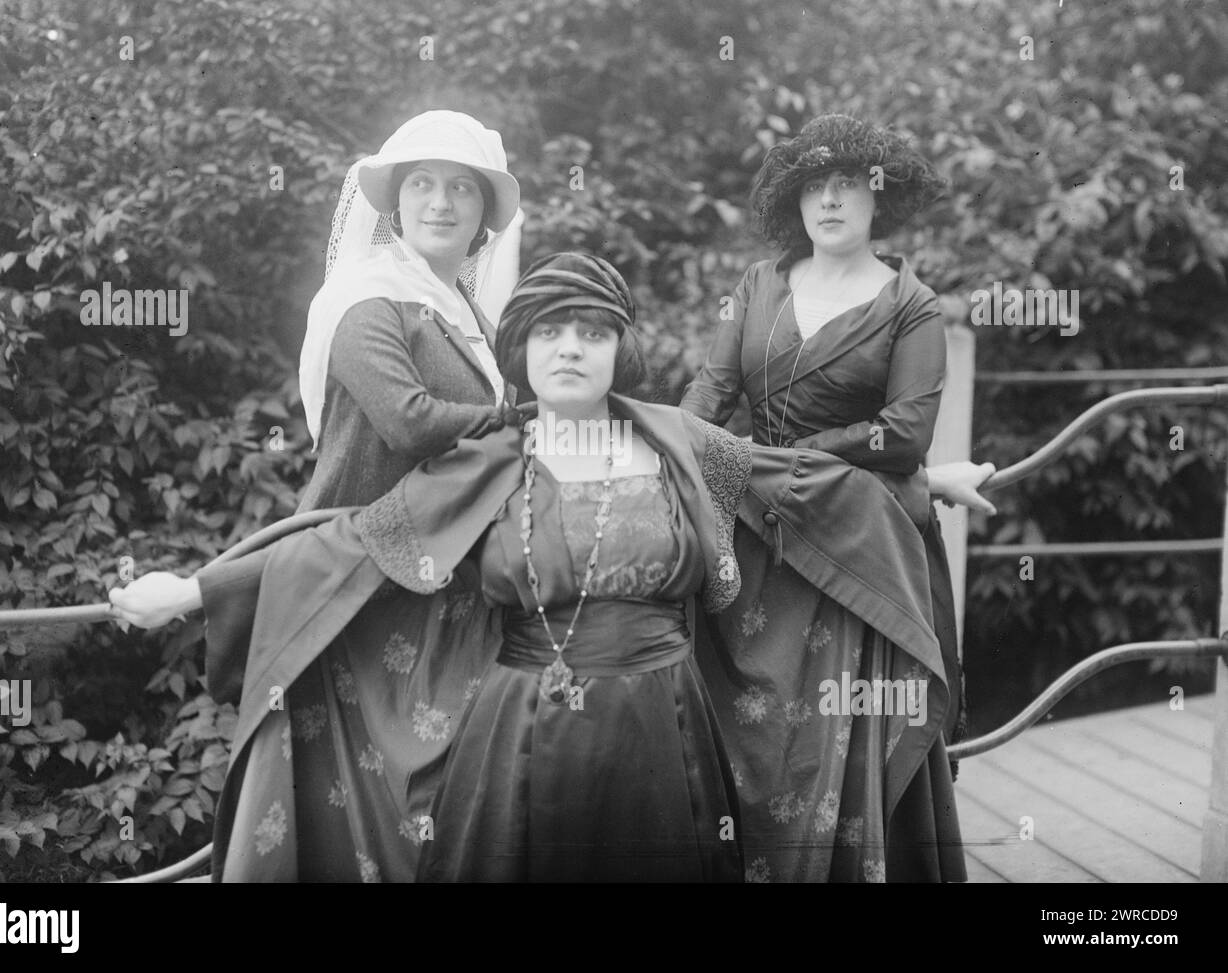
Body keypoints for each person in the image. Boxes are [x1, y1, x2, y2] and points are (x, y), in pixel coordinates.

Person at [112, 252, 995, 882]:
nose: (570, 348)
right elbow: (347, 547)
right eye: (550, 334)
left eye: (591, 332)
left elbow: (812, 488)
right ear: (524, 354)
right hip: (516, 736)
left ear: (621, 351)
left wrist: (921, 481)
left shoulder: (684, 444)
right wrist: (192, 591)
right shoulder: (488, 458)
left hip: (665, 728)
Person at [190, 109, 521, 881]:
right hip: (362, 571)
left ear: (481, 216)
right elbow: (410, 423)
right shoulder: (365, 297)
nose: (441, 203)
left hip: (443, 581)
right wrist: (521, 422)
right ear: (395, 202)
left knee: (453, 797)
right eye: (422, 186)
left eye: (462, 190)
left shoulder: (467, 312)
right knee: (363, 800)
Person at [680, 113, 981, 881]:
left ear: (882, 199)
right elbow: (712, 393)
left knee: (842, 730)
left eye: (850, 184)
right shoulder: (759, 285)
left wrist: (767, 459)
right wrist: (665, 446)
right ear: (796, 202)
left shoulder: (911, 303)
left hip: (860, 540)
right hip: (756, 534)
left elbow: (905, 433)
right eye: (815, 186)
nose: (832, 201)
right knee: (758, 732)